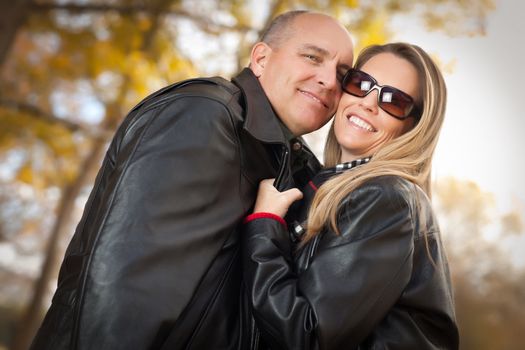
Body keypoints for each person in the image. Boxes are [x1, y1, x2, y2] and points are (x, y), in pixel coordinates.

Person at [30, 11, 354, 350]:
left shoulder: (285, 159)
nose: (329, 81)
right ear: (260, 59)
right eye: (312, 57)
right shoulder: (207, 115)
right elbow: (126, 287)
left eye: (343, 76)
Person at [242, 42, 459, 349]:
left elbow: (308, 336)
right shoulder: (334, 186)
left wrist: (264, 226)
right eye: (361, 84)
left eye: (394, 101)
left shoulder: (387, 198)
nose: (368, 103)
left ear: (412, 126)